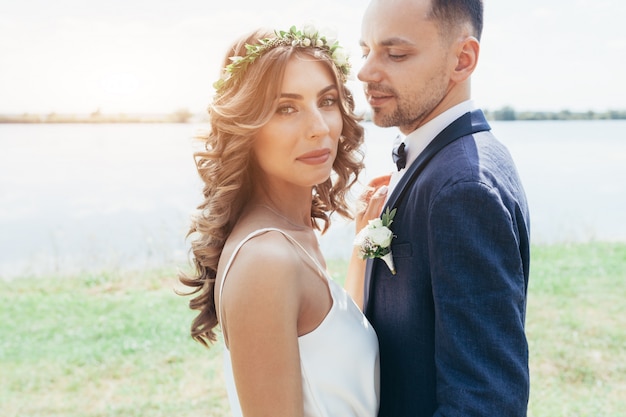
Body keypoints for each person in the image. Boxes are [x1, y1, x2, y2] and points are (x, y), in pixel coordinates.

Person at [178, 26, 380, 417]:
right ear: (246, 126)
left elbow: (328, 346)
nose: (318, 127)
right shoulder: (266, 261)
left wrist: (363, 247)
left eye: (327, 100)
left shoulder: (293, 236)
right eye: (286, 108)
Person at [357, 0, 531, 416]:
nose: (364, 72)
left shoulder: (464, 189)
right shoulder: (439, 158)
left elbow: (485, 401)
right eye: (365, 50)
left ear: (462, 59)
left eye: (395, 54)